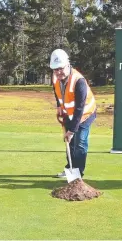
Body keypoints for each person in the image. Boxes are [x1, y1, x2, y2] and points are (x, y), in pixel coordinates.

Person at [50, 49, 97, 178]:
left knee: (80, 143)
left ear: (68, 65)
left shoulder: (79, 81)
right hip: (68, 113)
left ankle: (78, 174)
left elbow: (79, 108)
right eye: (55, 69)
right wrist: (59, 105)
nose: (58, 72)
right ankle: (69, 169)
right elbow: (56, 90)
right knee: (69, 142)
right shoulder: (55, 77)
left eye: (60, 68)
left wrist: (71, 131)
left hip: (85, 113)